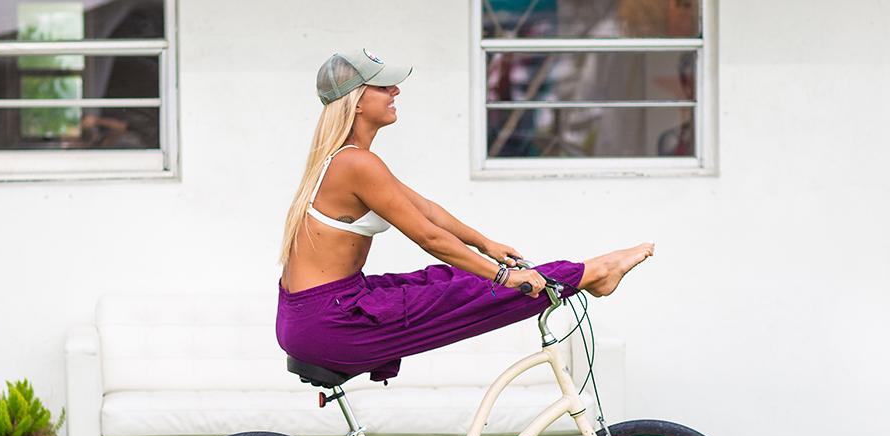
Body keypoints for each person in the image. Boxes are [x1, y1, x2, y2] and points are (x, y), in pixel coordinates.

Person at [276, 48, 654, 383]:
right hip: (332, 322)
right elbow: (429, 237)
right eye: (383, 86)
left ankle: (586, 273)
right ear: (356, 101)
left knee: (451, 277)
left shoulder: (346, 159)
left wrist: (485, 245)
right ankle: (593, 273)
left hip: (322, 313)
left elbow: (425, 210)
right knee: (477, 287)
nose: (396, 92)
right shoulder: (355, 163)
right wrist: (504, 276)